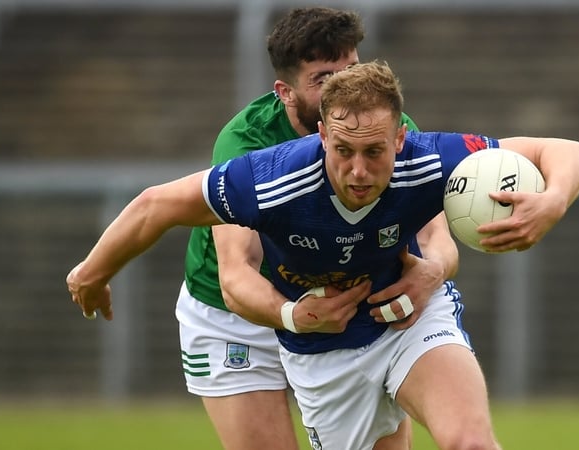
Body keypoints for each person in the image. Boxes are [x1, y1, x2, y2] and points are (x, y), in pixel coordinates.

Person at [67, 60, 579, 449]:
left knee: (471, 442)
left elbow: (563, 151)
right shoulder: (270, 179)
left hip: (410, 325)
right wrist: (93, 273)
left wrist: (552, 201)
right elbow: (156, 205)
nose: (358, 171)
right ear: (321, 136)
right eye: (343, 151)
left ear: (400, 139)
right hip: (324, 354)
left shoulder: (433, 156)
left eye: (374, 152)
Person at [179, 7, 450, 450]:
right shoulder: (244, 143)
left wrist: (432, 270)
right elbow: (235, 276)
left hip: (341, 304)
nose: (346, 88)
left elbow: (437, 238)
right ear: (284, 92)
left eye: (352, 69)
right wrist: (293, 316)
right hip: (237, 319)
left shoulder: (382, 128)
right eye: (325, 78)